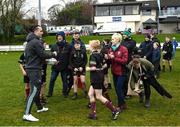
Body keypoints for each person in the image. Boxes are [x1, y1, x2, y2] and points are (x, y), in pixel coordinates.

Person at [23, 25, 57, 122]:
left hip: (33, 68)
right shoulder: (35, 42)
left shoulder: (31, 41)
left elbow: (37, 56)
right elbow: (43, 54)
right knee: (34, 91)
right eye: (41, 31)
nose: (42, 33)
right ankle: (26, 114)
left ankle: (39, 107)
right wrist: (53, 54)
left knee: (37, 89)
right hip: (34, 69)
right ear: (36, 31)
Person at [86, 40, 119, 120]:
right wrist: (99, 68)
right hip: (100, 76)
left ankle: (114, 110)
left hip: (96, 77)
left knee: (99, 96)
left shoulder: (93, 56)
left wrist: (87, 68)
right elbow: (105, 65)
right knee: (90, 94)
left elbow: (93, 68)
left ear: (92, 47)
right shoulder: (100, 54)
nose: (89, 47)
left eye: (90, 46)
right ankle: (93, 114)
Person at [47, 31, 71, 98]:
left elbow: (70, 56)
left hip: (64, 67)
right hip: (55, 66)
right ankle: (50, 93)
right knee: (52, 79)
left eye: (60, 36)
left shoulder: (68, 45)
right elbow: (51, 56)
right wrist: (53, 61)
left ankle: (65, 93)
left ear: (63, 37)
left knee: (65, 80)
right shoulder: (54, 46)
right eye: (58, 36)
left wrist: (69, 65)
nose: (59, 37)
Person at [108, 33, 128, 111]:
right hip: (114, 71)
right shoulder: (111, 49)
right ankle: (123, 104)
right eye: (112, 39)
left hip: (122, 72)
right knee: (116, 89)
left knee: (119, 88)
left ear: (118, 40)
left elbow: (124, 61)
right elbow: (110, 61)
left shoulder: (123, 49)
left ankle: (121, 105)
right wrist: (108, 58)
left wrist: (114, 58)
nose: (111, 40)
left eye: (113, 39)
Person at [121, 28, 137, 98]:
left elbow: (127, 48)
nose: (123, 35)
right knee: (123, 78)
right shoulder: (122, 41)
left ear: (128, 35)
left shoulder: (132, 42)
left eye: (124, 34)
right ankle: (124, 92)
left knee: (129, 78)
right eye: (123, 34)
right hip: (123, 61)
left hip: (129, 61)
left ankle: (129, 92)